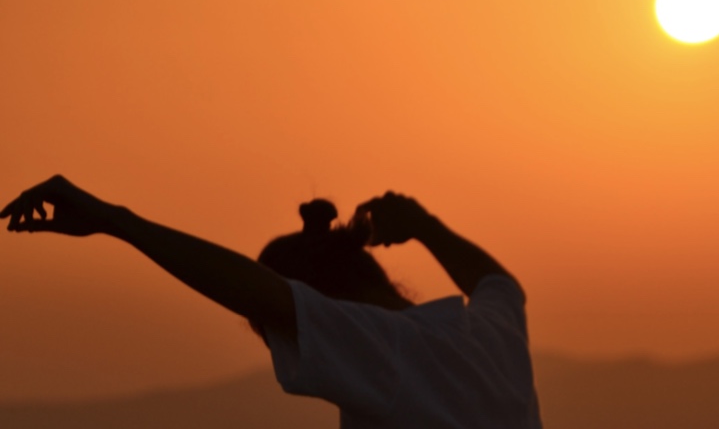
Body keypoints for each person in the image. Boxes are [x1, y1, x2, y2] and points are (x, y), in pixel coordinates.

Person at [1, 175, 542, 428]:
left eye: (274, 330)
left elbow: (256, 291)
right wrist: (425, 226)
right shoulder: (489, 338)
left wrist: (115, 221)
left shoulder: (385, 352)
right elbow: (499, 283)